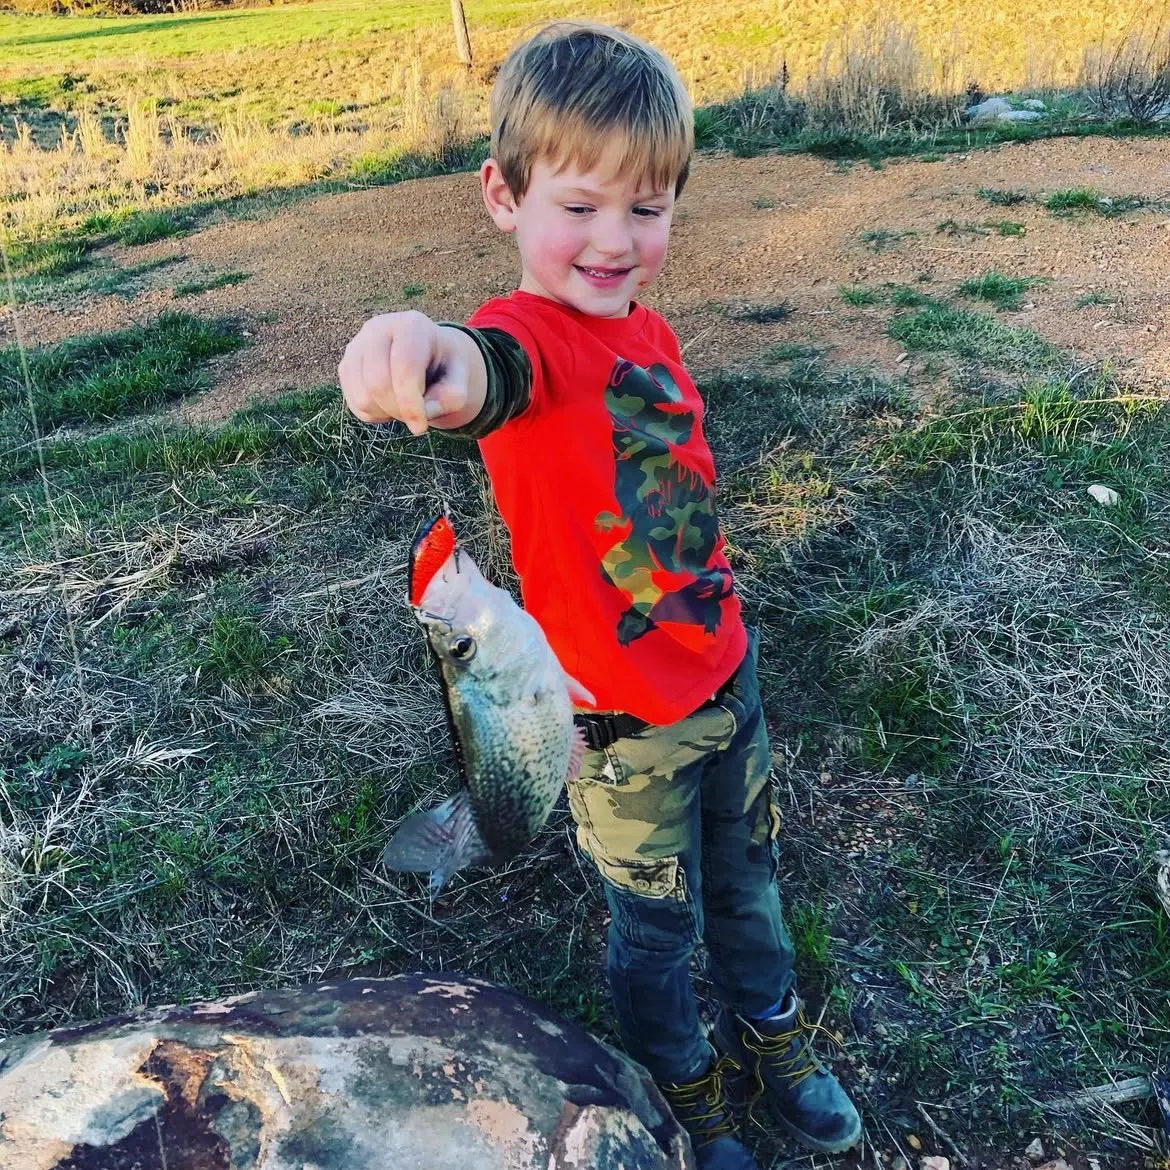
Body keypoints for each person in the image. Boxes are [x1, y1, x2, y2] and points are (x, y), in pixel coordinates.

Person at [338, 22, 862, 1168]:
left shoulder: (648, 331)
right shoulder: (530, 343)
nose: (616, 241)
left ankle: (775, 1033)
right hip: (624, 740)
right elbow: (479, 370)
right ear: (502, 195)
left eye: (650, 208)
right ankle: (686, 1083)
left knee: (750, 879)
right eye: (579, 207)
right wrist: (412, 348)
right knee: (655, 926)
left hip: (728, 681)